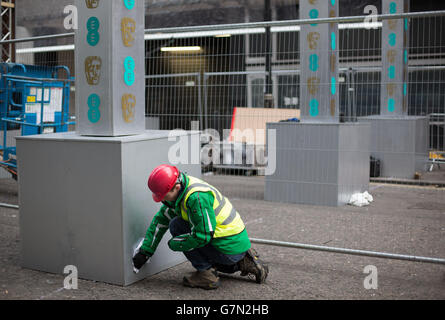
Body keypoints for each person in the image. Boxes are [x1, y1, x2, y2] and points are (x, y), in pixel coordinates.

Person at [132, 164, 269, 290]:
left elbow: (203, 235)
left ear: (176, 187)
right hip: (233, 242)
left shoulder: (196, 198)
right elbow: (161, 220)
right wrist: (146, 251)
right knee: (180, 225)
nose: (162, 200)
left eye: (164, 196)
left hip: (228, 247)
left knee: (177, 227)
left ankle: (207, 275)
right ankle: (243, 260)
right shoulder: (183, 187)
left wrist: (176, 244)